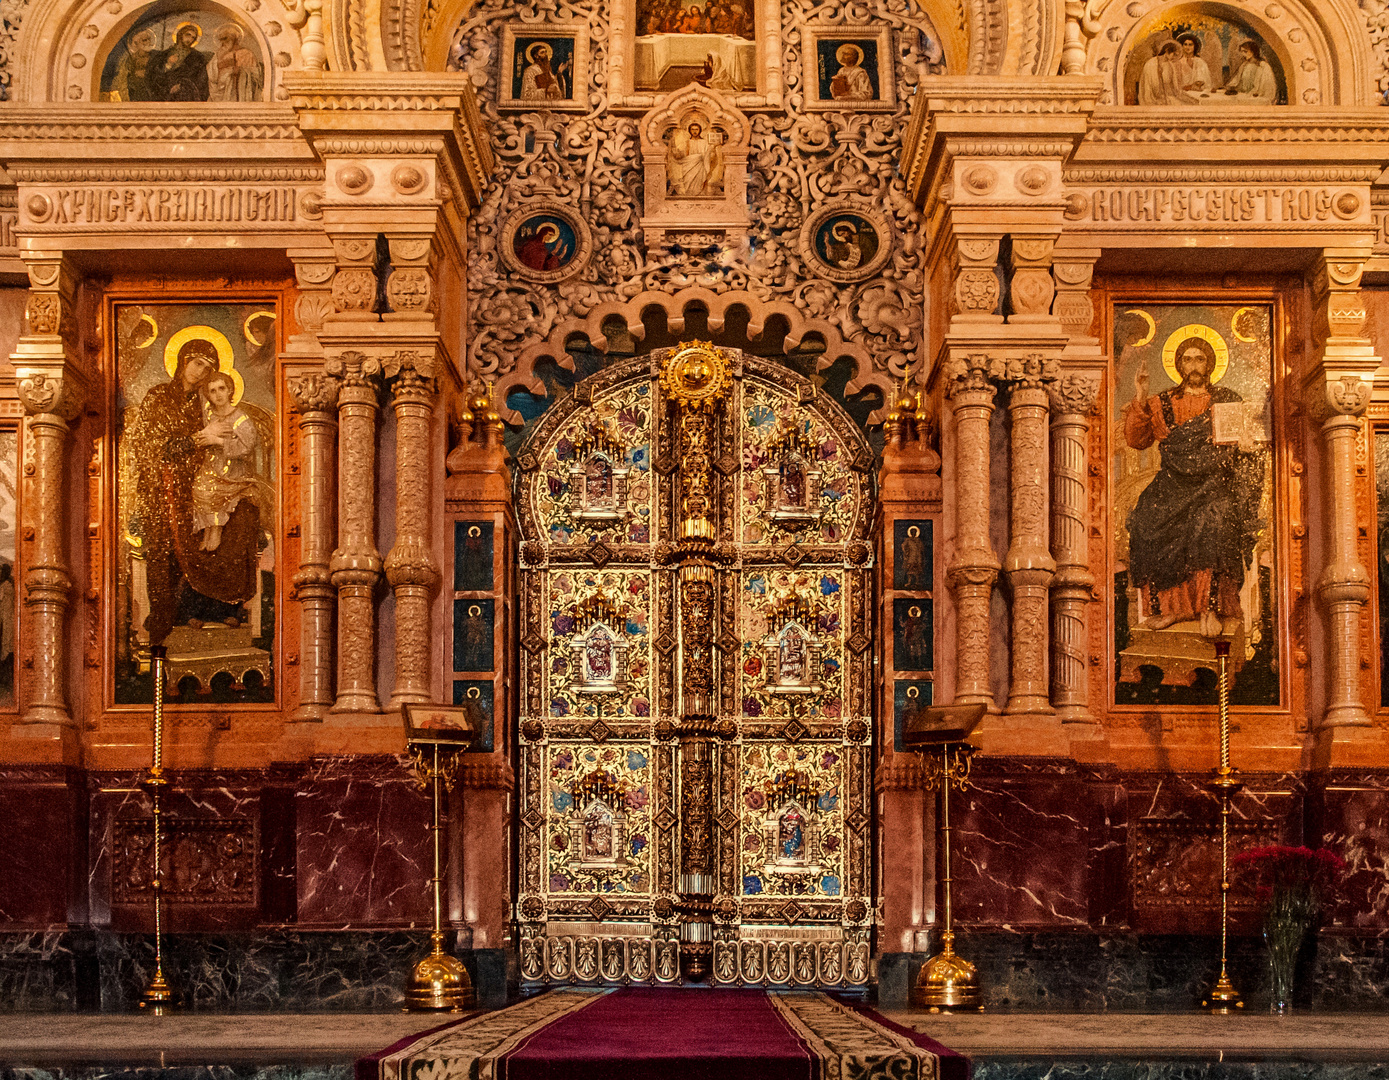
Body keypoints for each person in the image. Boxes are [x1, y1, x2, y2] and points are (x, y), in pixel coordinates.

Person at [1123, 336, 1264, 639]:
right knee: (1147, 517)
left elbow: (1244, 442)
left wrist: (1246, 444)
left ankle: (1208, 607)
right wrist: (1141, 392)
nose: (1194, 366)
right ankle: (1173, 608)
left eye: (1200, 359)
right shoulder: (1162, 402)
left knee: (1211, 521)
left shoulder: (1226, 398)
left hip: (1213, 482)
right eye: (1188, 359)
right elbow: (1136, 439)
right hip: (1173, 481)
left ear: (1210, 363)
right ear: (1179, 364)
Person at [127, 338, 261, 643]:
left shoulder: (201, 405)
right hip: (161, 487)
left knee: (237, 524)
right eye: (197, 363)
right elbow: (150, 447)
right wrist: (202, 437)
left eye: (208, 368)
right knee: (164, 548)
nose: (201, 372)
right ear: (183, 360)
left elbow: (230, 444)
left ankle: (216, 608)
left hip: (197, 484)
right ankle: (165, 613)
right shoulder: (158, 396)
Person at [191, 371, 259, 555]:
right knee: (199, 488)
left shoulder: (240, 418)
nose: (218, 394)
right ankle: (208, 529)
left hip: (234, 471)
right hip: (211, 466)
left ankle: (217, 529)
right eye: (212, 391)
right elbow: (199, 439)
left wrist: (219, 441)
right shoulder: (209, 416)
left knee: (212, 489)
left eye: (222, 388)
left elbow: (247, 446)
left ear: (229, 390)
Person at [149, 22, 210, 101]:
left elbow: (202, 79)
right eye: (188, 35)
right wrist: (168, 65)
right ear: (180, 34)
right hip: (165, 96)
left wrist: (182, 86)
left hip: (186, 96)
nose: (190, 39)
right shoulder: (164, 55)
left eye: (193, 38)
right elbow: (154, 76)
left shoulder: (198, 57)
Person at [206, 23, 263, 102]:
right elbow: (211, 73)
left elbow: (256, 76)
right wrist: (220, 66)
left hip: (241, 94)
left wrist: (240, 71)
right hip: (221, 95)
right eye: (221, 39)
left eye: (225, 39)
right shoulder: (219, 54)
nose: (222, 43)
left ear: (234, 38)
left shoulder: (247, 54)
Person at [668, 121, 721, 196]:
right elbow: (682, 155)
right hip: (688, 165)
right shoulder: (687, 142)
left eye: (696, 129)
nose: (694, 131)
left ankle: (700, 194)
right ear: (689, 131)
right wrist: (675, 150)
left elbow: (709, 155)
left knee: (700, 182)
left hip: (700, 166)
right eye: (692, 129)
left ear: (700, 131)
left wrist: (713, 147)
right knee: (688, 181)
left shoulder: (705, 142)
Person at [109, 29, 156, 101]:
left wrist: (147, 74)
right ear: (136, 43)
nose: (148, 42)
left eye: (149, 39)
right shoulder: (130, 59)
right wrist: (135, 75)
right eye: (144, 40)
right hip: (136, 95)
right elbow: (123, 79)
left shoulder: (156, 57)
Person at [1173, 34, 1212, 102]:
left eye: (1190, 44)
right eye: (1185, 44)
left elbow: (1205, 82)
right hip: (1182, 96)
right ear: (1181, 46)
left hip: (1199, 95)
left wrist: (1196, 86)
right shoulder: (1177, 63)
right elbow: (1175, 84)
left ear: (1194, 46)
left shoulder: (1201, 62)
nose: (1187, 47)